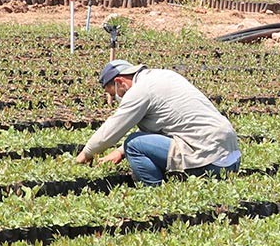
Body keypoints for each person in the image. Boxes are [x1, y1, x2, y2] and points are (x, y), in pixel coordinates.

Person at [73, 60, 240, 186]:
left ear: (120, 82)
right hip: (232, 159)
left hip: (209, 160)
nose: (119, 98)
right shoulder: (164, 76)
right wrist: (120, 152)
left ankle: (155, 192)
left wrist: (84, 155)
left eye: (114, 93)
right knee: (133, 143)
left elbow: (111, 131)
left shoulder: (139, 91)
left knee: (133, 144)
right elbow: (166, 124)